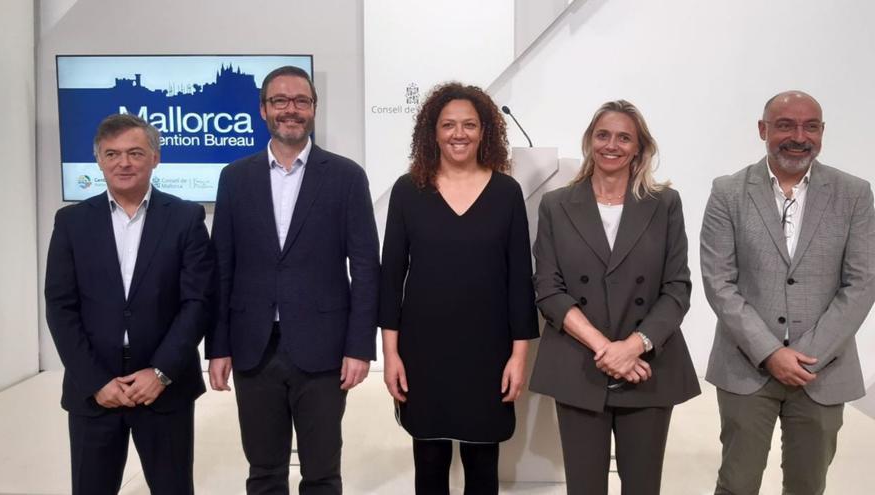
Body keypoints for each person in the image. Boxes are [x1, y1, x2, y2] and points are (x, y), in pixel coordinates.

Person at [206, 65, 380, 494]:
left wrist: (360, 347)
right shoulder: (234, 178)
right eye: (280, 101)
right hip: (253, 347)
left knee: (321, 471)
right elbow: (221, 268)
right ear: (263, 109)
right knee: (263, 471)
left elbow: (365, 266)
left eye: (301, 101)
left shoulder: (346, 177)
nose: (291, 110)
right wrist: (219, 346)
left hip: (324, 349)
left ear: (314, 109)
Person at [701, 90, 875, 495]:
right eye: (785, 125)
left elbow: (862, 282)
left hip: (823, 370)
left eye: (810, 126)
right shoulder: (728, 192)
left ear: (822, 133)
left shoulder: (854, 194)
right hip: (747, 367)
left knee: (807, 486)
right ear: (763, 130)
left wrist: (809, 355)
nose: (799, 136)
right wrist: (770, 352)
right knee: (737, 485)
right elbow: (718, 281)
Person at [529, 100, 700, 495]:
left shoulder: (664, 204)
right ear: (590, 141)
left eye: (625, 137)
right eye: (603, 135)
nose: (612, 145)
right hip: (579, 362)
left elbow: (677, 288)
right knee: (584, 486)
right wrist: (608, 350)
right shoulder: (556, 205)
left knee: (642, 485)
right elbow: (548, 288)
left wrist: (634, 346)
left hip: (648, 365)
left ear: (639, 147)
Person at [379, 82, 539, 495]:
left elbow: (521, 279)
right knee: (429, 463)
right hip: (423, 353)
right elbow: (391, 277)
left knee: (483, 466)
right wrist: (391, 354)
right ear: (432, 132)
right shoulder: (407, 191)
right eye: (448, 124)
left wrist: (519, 357)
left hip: (488, 353)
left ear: (485, 131)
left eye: (469, 124)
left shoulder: (506, 193)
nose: (459, 133)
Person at [44, 113, 215, 494]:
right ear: (99, 160)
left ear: (155, 158)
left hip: (164, 385)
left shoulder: (186, 218)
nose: (124, 163)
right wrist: (95, 381)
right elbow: (60, 306)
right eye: (113, 154)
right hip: (94, 387)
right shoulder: (71, 222)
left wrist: (161, 372)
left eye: (135, 153)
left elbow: (198, 301)